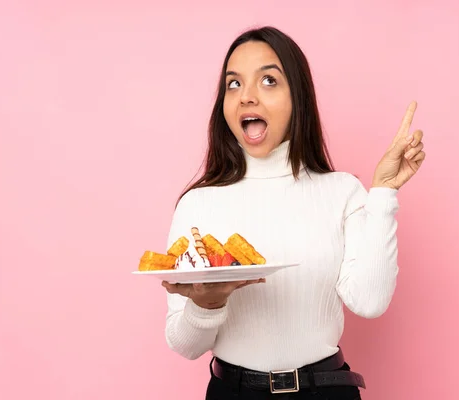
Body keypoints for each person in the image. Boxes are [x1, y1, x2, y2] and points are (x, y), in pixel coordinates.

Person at [161, 26, 426, 399]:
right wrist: (207, 305)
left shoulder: (342, 191)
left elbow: (370, 301)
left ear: (297, 97)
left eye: (268, 80)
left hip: (325, 391)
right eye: (233, 84)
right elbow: (184, 344)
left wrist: (382, 193)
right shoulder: (199, 204)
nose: (247, 97)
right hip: (233, 392)